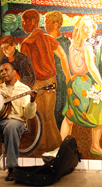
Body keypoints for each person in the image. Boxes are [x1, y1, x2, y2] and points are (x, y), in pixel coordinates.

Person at [59, 16, 102, 158]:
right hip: (85, 83)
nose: (88, 30)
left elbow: (67, 64)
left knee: (69, 117)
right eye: (85, 26)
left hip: (74, 84)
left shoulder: (72, 44)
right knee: (98, 114)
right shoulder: (87, 47)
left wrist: (69, 77)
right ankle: (95, 146)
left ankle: (62, 147)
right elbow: (91, 67)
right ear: (78, 28)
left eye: (91, 27)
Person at [20, 9, 71, 152]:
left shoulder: (26, 44)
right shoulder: (48, 39)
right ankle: (57, 147)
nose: (23, 25)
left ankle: (43, 147)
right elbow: (62, 55)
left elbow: (26, 70)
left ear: (33, 22)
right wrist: (67, 75)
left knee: (40, 118)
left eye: (25, 21)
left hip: (37, 85)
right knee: (50, 117)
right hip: (52, 82)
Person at [44, 11, 71, 129]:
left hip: (60, 79)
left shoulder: (63, 42)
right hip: (52, 79)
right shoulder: (48, 40)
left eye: (47, 22)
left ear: (55, 25)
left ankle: (59, 136)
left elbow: (65, 62)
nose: (45, 25)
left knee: (58, 107)